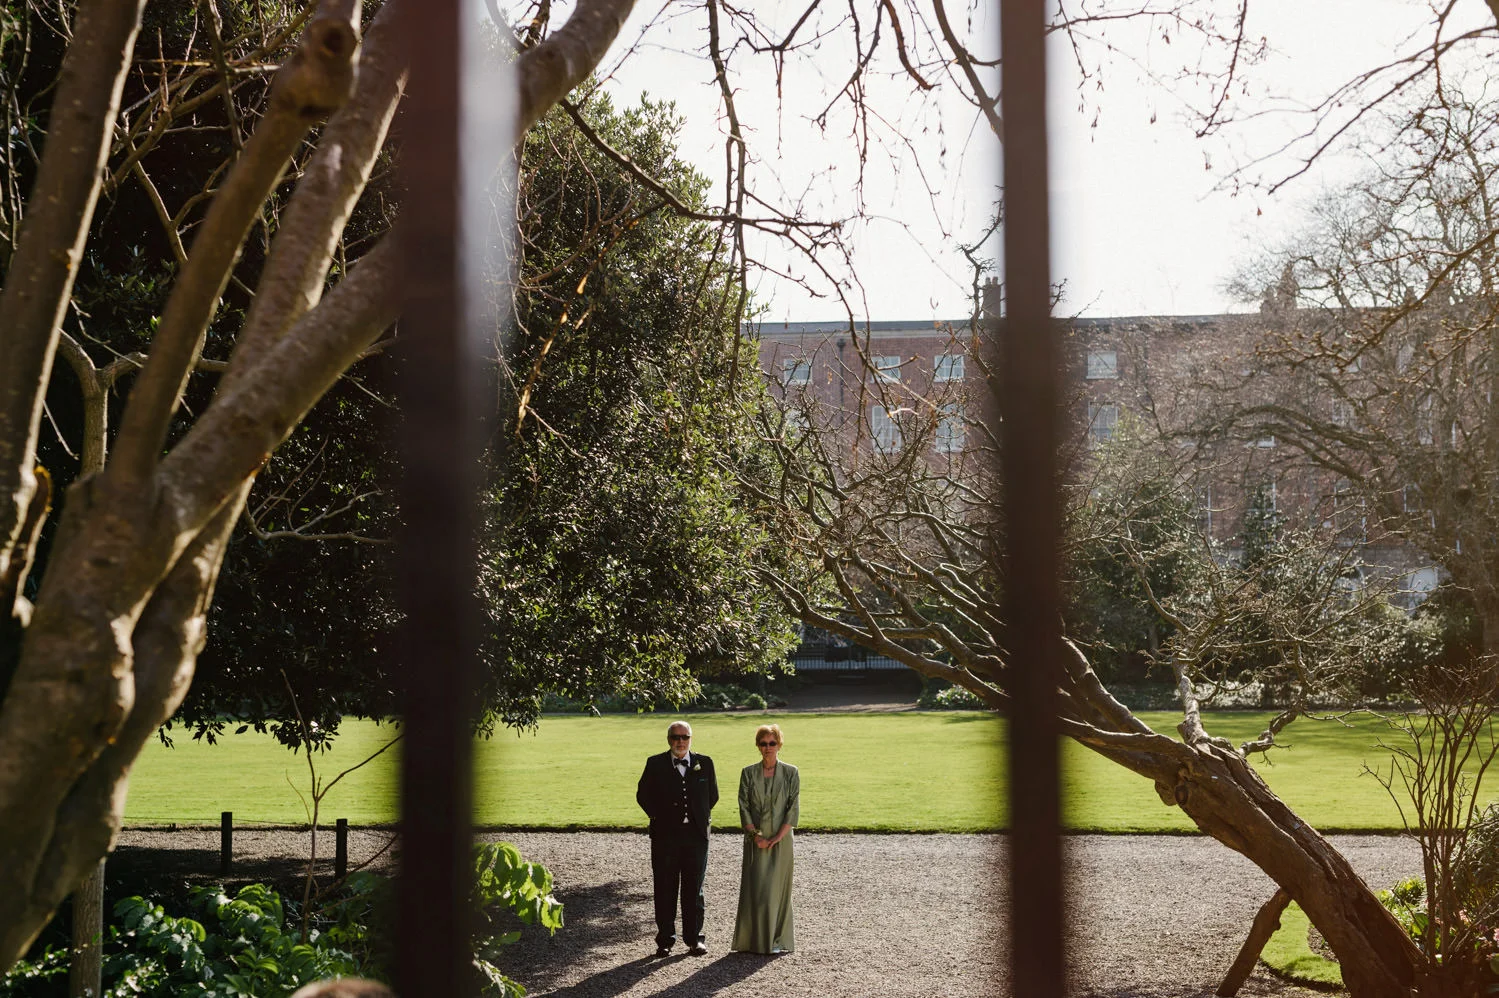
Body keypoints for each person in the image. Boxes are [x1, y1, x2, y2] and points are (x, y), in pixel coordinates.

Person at [636, 720, 719, 957]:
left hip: (696, 837)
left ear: (691, 738)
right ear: (668, 739)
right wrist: (659, 818)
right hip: (665, 838)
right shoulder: (655, 764)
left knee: (694, 890)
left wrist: (697, 817)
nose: (680, 741)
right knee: (665, 888)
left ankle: (695, 939)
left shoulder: (705, 763)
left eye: (684, 737)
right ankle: (665, 940)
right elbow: (643, 795)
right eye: (675, 737)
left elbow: (712, 796)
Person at [731, 723, 798, 954]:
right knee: (756, 887)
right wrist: (755, 836)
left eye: (772, 743)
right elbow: (743, 806)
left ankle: (776, 940)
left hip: (782, 841)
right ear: (758, 746)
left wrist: (778, 837)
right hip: (755, 840)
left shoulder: (791, 773)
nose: (768, 747)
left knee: (776, 889)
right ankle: (753, 941)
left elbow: (792, 809)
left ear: (779, 745)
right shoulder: (748, 772)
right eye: (763, 743)